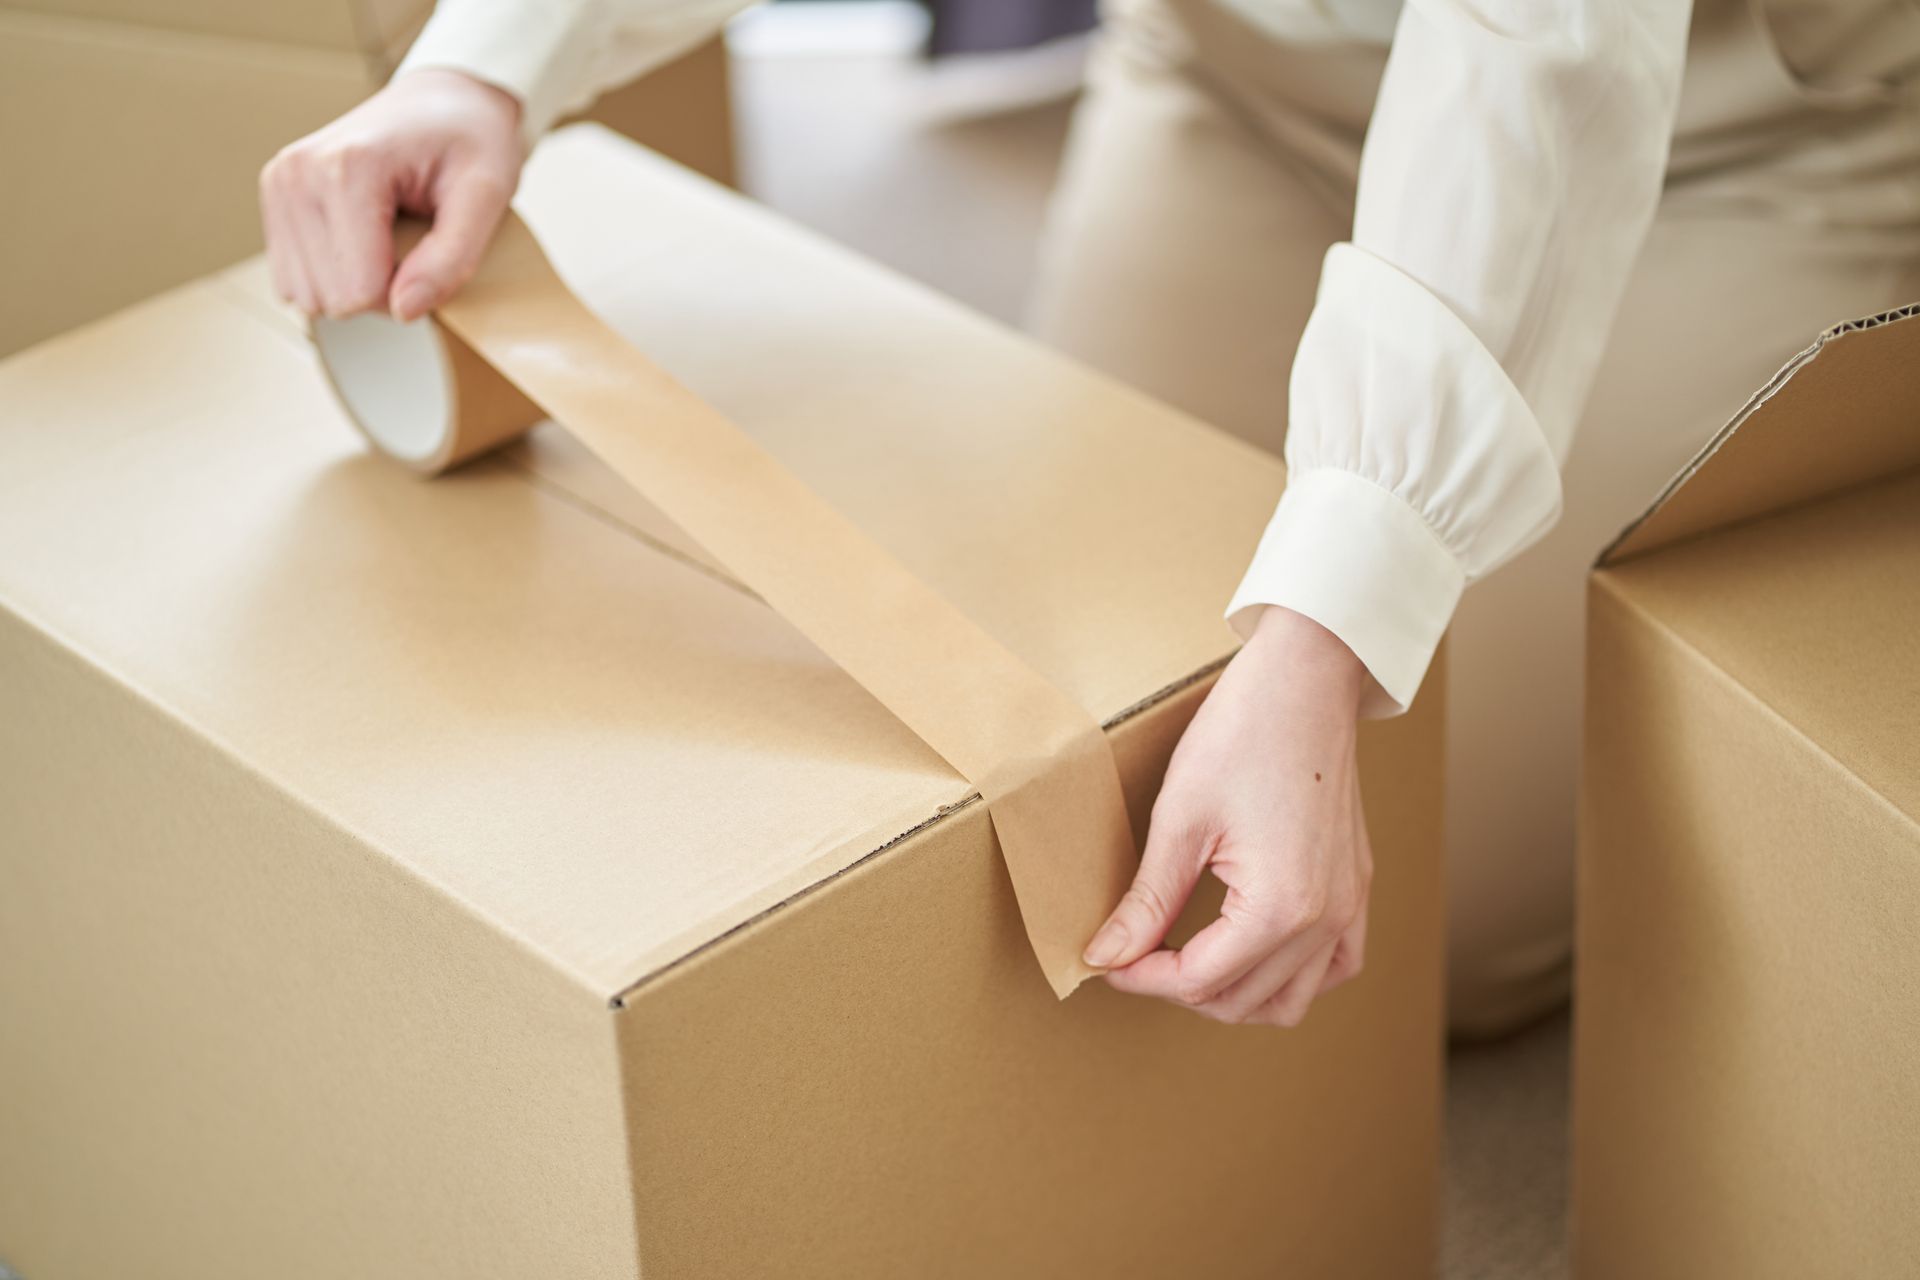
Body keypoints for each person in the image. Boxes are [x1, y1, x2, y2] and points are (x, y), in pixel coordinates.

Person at [260, 0, 1920, 1037]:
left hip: (1718, 120)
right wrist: (491, 64)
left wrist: (1334, 630)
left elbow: (1534, 71)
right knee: (1114, 716)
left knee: (1434, 928)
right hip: (1247, 62)